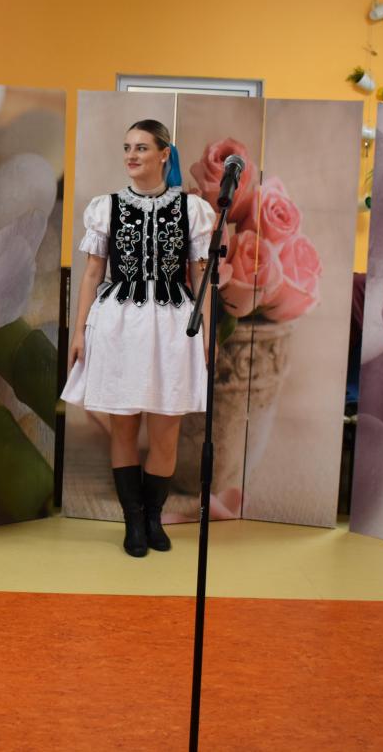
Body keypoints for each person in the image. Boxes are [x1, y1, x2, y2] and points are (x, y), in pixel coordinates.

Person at [61, 120, 219, 557]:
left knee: (165, 433)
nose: (131, 155)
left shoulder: (191, 209)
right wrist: (79, 332)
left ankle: (153, 517)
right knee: (124, 429)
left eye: (142, 148)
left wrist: (207, 335)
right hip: (119, 325)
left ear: (164, 154)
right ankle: (132, 521)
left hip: (173, 327)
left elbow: (201, 278)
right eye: (127, 147)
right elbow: (91, 274)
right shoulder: (107, 207)